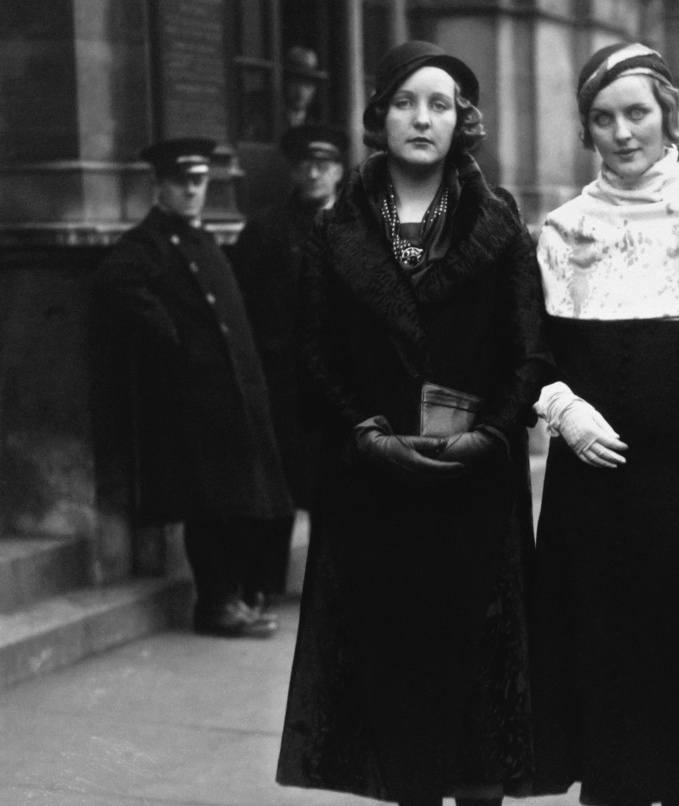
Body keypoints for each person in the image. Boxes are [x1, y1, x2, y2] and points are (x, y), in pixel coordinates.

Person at [276, 41, 552, 806]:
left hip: (474, 492)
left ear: (462, 121)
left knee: (479, 709)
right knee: (397, 707)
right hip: (375, 494)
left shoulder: (498, 224)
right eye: (405, 102)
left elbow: (529, 352)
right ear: (380, 115)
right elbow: (311, 356)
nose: (421, 118)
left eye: (440, 104)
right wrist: (363, 433)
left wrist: (491, 434)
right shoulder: (337, 230)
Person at [531, 43, 679, 806]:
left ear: (671, 117)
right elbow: (529, 354)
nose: (623, 132)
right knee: (605, 683)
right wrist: (560, 406)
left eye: (637, 113)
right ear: (586, 131)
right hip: (590, 502)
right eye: (603, 118)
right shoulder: (563, 232)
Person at [93, 138, 292, 638]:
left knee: (242, 504)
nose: (192, 192)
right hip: (194, 404)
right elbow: (115, 286)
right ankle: (216, 604)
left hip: (233, 401)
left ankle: (237, 599)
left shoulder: (203, 241)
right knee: (210, 510)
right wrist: (172, 338)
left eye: (199, 182)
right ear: (158, 186)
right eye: (182, 183)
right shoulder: (148, 243)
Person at [230, 124, 348, 612]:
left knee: (336, 489)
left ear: (341, 170)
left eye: (324, 164)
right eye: (305, 164)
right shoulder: (266, 228)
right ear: (294, 171)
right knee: (274, 487)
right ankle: (262, 584)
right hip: (283, 381)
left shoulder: (361, 227)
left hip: (341, 384)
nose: (315, 173)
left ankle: (331, 587)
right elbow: (245, 306)